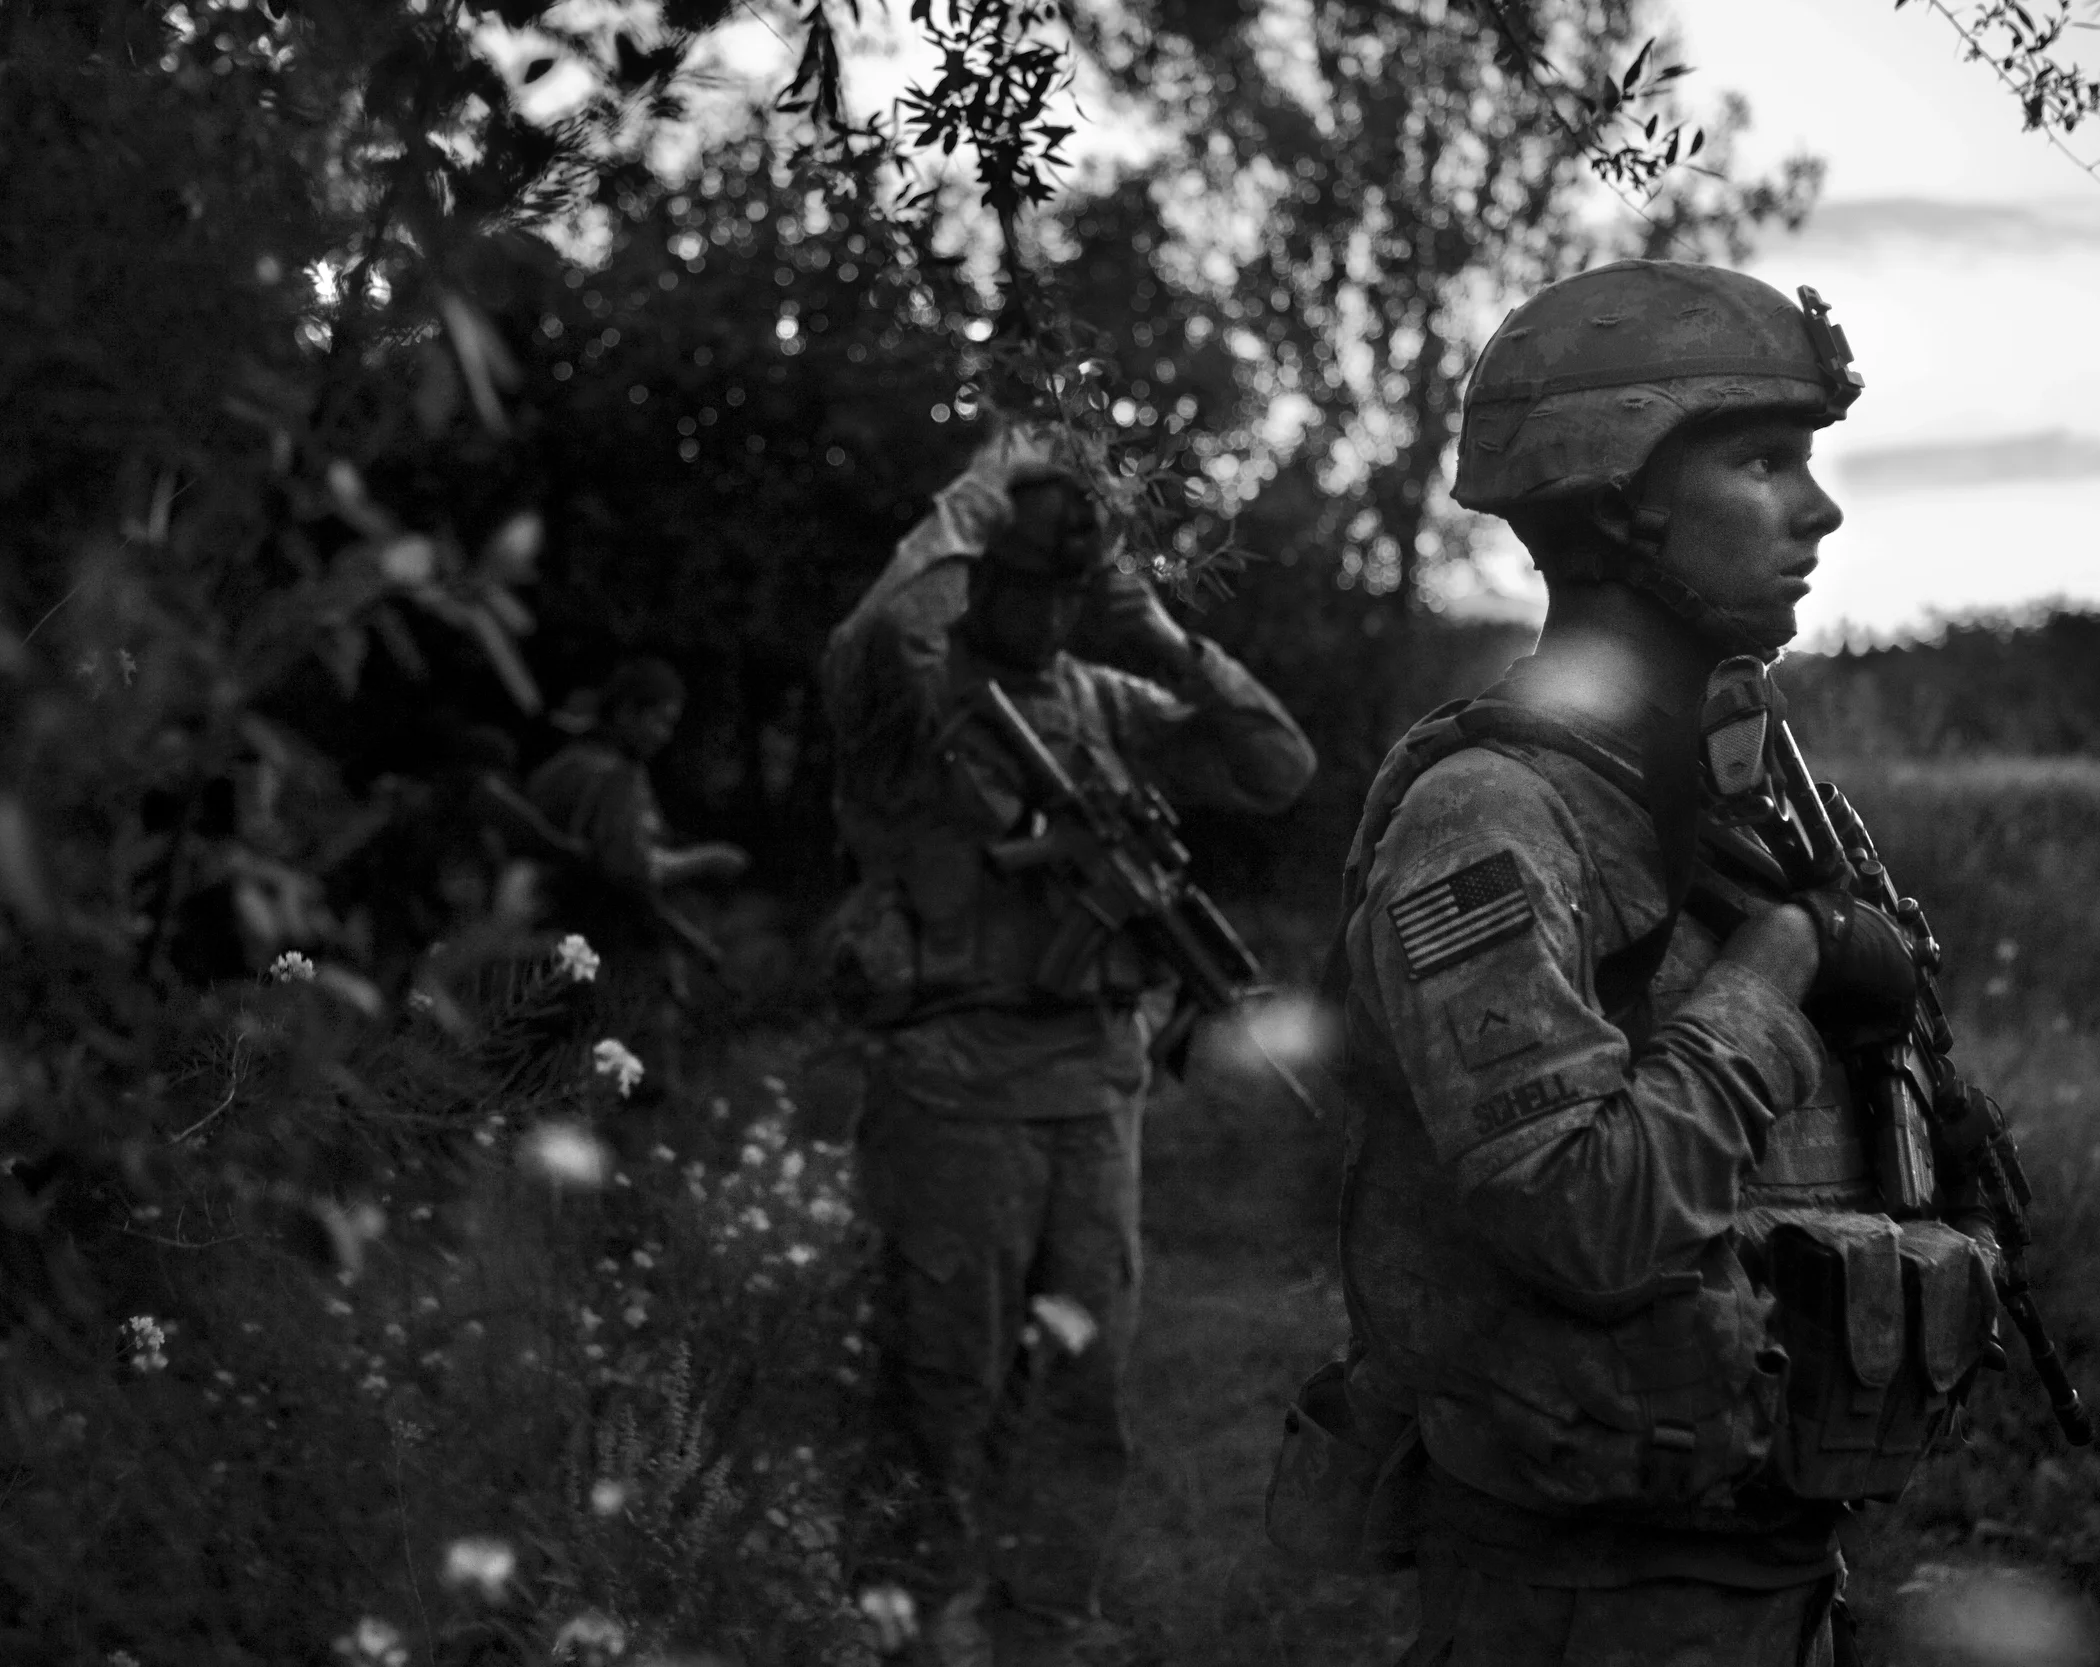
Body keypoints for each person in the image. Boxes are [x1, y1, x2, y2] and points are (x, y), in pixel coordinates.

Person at [1325, 261, 2001, 1666]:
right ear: (1616, 498)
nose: (1817, 508)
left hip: (1761, 1566)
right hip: (1586, 1602)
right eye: (1763, 461)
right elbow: (1578, 1215)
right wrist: (1789, 955)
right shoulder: (1493, 811)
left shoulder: (1719, 799)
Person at [822, 424, 1317, 1666]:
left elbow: (1275, 764)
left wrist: (1150, 626)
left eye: (1065, 590)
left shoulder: (1106, 700)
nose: (1042, 612)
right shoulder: (911, 697)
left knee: (1081, 1376)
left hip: (1093, 1093)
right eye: (1020, 582)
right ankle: (907, 1621)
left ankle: (1045, 1617)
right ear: (978, 574)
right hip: (951, 1095)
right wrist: (976, 507)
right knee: (937, 1378)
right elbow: (881, 633)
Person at [529, 657, 749, 1089]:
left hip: (545, 933)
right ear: (627, 712)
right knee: (629, 1081)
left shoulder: (564, 764)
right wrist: (705, 865)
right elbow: (629, 873)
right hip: (601, 948)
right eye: (659, 721)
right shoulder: (614, 777)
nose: (664, 736)